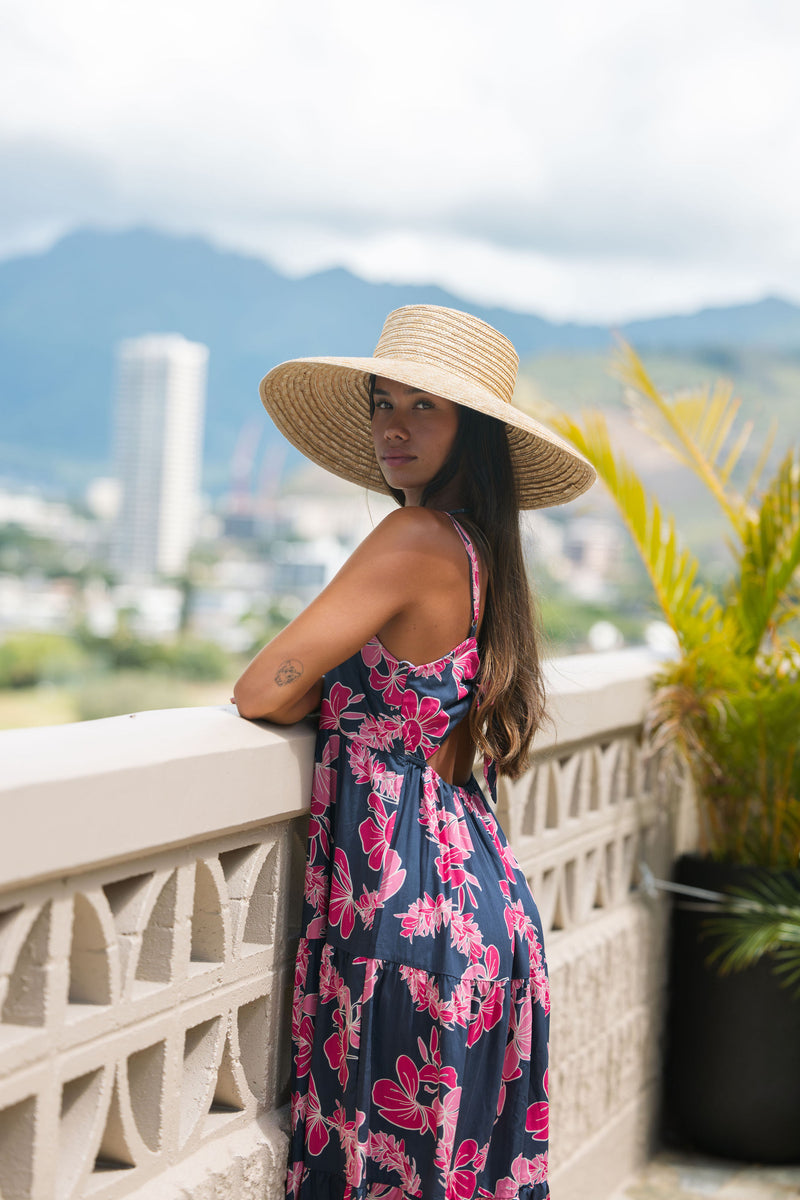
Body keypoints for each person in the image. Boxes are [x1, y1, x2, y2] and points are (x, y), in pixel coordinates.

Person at [233, 305, 595, 1200]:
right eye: (382, 402)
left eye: (423, 407)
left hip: (401, 907)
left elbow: (261, 690)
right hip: (478, 910)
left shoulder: (414, 539)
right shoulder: (485, 556)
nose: (393, 426)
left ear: (471, 431)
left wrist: (329, 690)